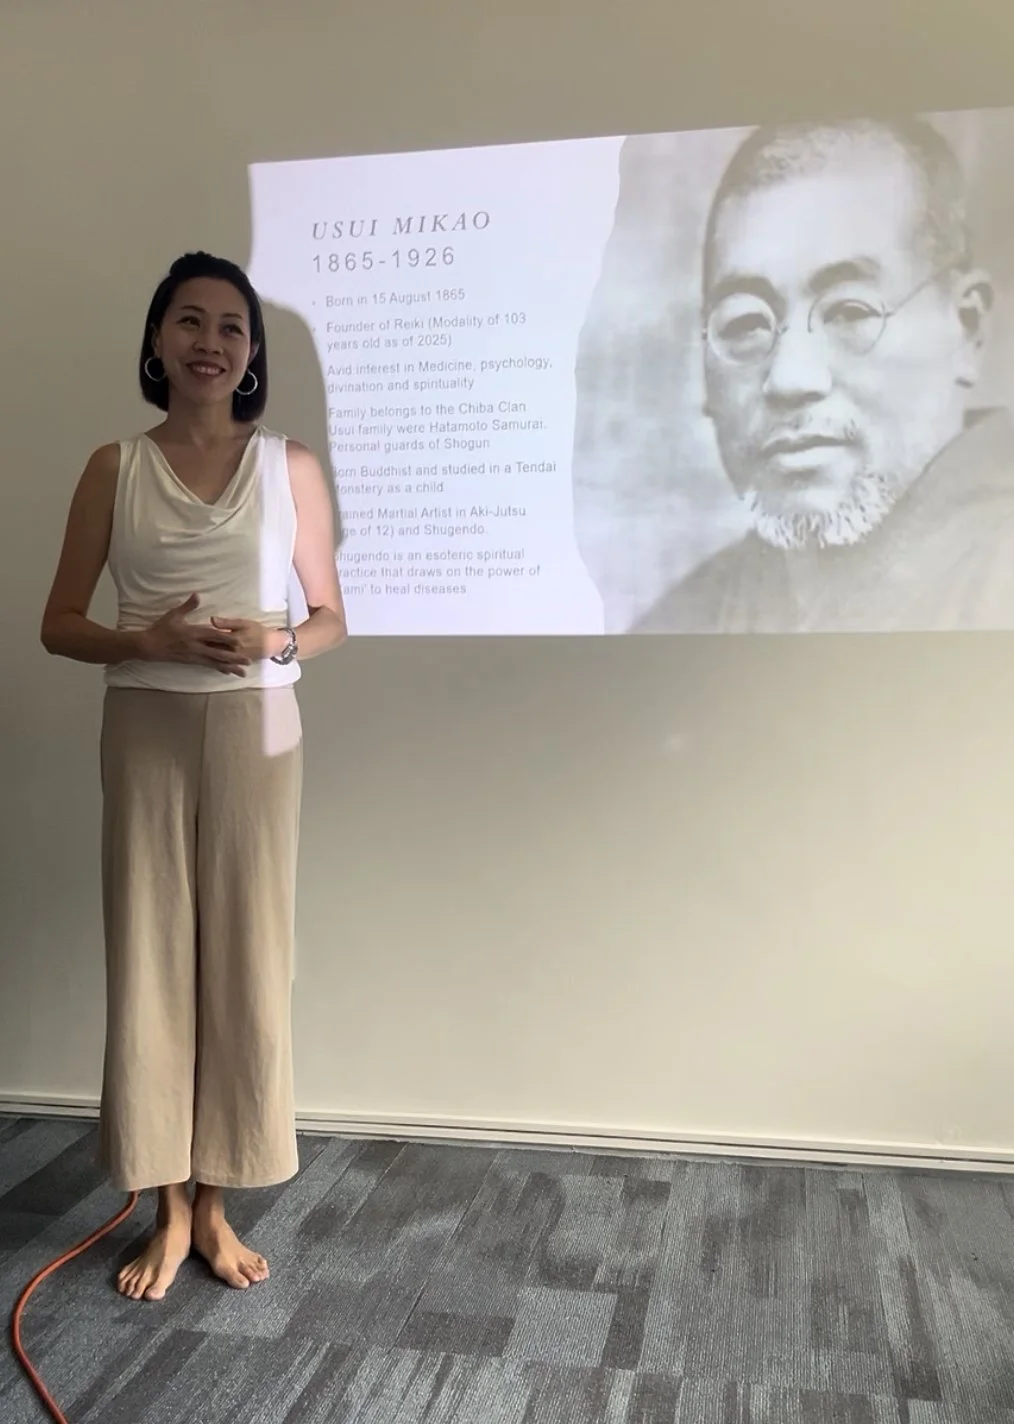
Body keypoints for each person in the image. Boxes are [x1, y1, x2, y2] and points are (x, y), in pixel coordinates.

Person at [40, 251, 347, 1302]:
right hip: (147, 727)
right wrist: (152, 638)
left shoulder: (290, 465)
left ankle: (219, 1203)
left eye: (230, 326)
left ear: (251, 352)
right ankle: (167, 1207)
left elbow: (331, 618)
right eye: (189, 322)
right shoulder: (110, 467)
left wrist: (278, 640)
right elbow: (59, 624)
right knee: (153, 956)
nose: (210, 342)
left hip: (260, 732)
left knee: (249, 957)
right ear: (157, 340)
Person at [634, 116, 1014, 632]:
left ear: (965, 327)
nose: (790, 379)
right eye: (745, 322)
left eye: (850, 313)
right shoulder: (680, 624)